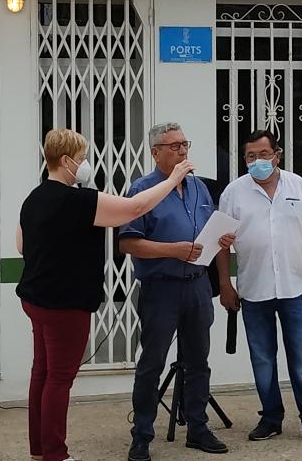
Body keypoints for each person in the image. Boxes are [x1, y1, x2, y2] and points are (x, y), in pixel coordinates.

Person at [16, 129, 195, 461]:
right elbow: (134, 208)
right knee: (59, 379)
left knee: (41, 373)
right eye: (82, 159)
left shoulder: (34, 197)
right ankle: (55, 453)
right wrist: (175, 179)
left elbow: (21, 245)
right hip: (64, 304)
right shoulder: (78, 201)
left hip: (35, 299)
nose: (85, 165)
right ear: (66, 161)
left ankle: (40, 449)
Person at [120, 122, 233, 461]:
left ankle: (197, 427)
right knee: (152, 363)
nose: (182, 151)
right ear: (155, 153)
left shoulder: (199, 188)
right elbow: (128, 243)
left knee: (198, 361)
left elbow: (208, 232)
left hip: (197, 286)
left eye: (185, 144)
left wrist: (222, 239)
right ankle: (141, 435)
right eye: (173, 146)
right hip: (161, 289)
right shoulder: (141, 189)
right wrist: (173, 250)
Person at [217, 129, 302, 444]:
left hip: (296, 287)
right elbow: (221, 245)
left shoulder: (299, 186)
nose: (257, 161)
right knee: (263, 358)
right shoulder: (233, 193)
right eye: (250, 156)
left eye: (263, 154)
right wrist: (224, 285)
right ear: (244, 159)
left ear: (277, 155)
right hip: (253, 291)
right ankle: (271, 417)